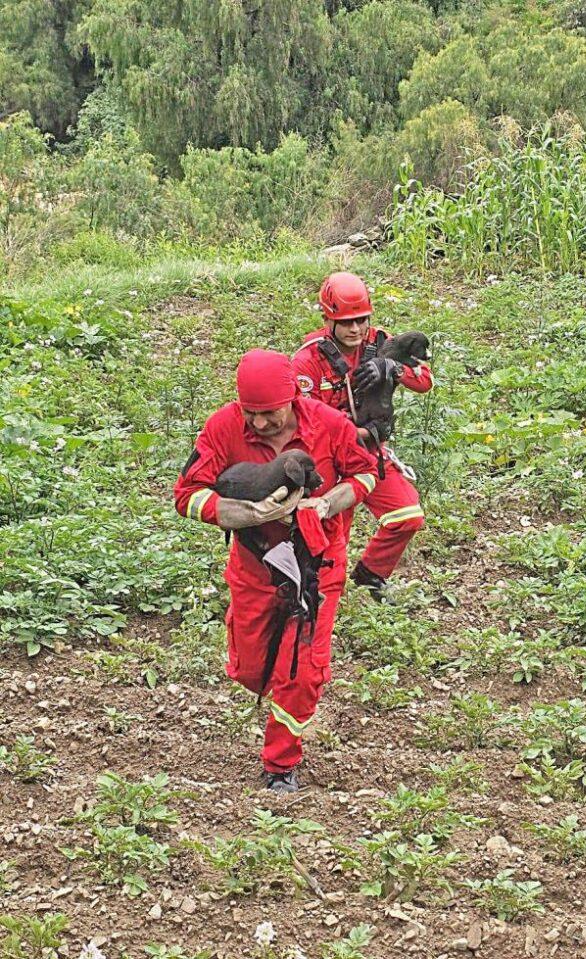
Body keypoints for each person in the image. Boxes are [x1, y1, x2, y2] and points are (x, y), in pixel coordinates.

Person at [174, 349, 378, 792]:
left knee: (303, 670)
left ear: (293, 399)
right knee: (253, 667)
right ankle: (265, 676)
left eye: (269, 414)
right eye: (252, 414)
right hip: (255, 569)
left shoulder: (327, 424)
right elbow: (187, 494)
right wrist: (244, 513)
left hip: (317, 569)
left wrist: (327, 503)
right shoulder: (222, 427)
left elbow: (365, 475)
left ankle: (280, 763)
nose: (261, 424)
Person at [292, 271, 431, 601]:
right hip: (329, 458)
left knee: (408, 515)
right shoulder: (307, 360)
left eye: (361, 320)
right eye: (347, 322)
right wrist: (354, 431)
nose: (356, 329)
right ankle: (314, 595)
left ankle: (370, 576)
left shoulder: (383, 342)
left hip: (370, 451)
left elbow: (425, 382)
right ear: (329, 319)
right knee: (331, 534)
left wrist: (393, 369)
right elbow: (305, 421)